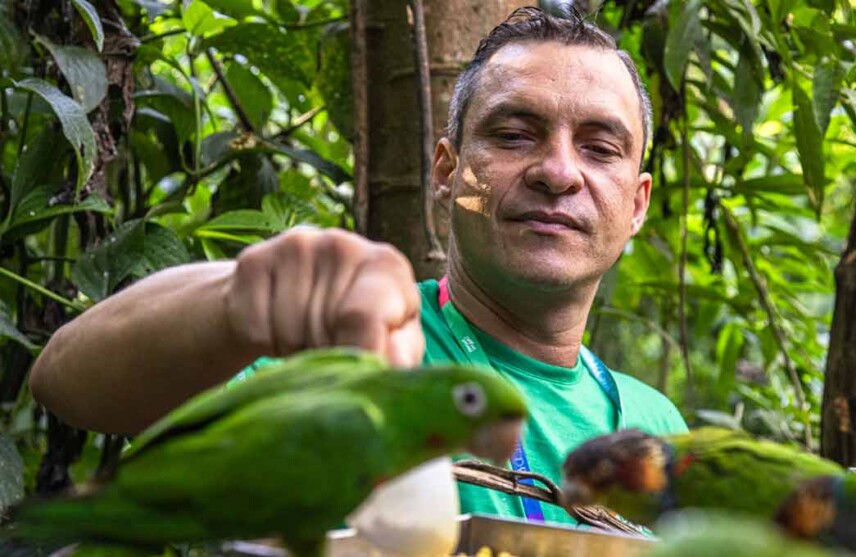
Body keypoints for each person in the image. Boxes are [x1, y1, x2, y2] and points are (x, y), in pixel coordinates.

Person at [28, 7, 687, 525]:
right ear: (448, 168)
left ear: (636, 203)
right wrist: (239, 301)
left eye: (600, 147)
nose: (558, 172)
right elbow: (67, 379)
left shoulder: (657, 426)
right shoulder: (360, 349)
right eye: (514, 135)